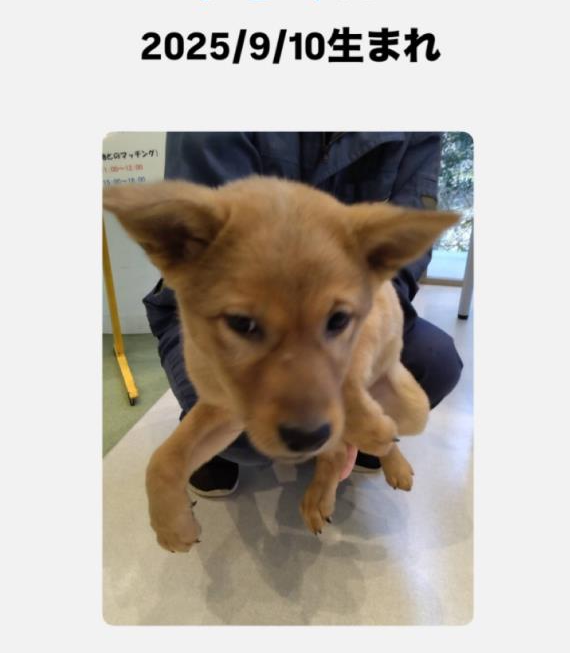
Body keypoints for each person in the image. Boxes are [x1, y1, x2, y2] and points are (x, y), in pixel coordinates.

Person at [143, 132, 463, 497]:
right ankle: (216, 445)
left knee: (435, 364)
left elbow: (404, 244)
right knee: (241, 427)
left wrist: (355, 355)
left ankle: (362, 439)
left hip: (350, 305)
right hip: (222, 312)